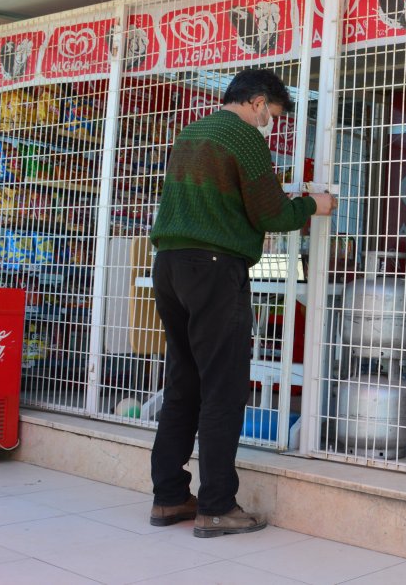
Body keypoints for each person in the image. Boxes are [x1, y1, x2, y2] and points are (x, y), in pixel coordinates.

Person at [146, 68, 336, 538]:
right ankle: (216, 507)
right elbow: (270, 212)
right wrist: (314, 205)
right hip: (214, 268)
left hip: (169, 264)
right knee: (224, 388)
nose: (269, 123)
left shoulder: (192, 133)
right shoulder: (244, 136)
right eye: (272, 114)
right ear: (256, 102)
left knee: (184, 383)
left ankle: (169, 497)